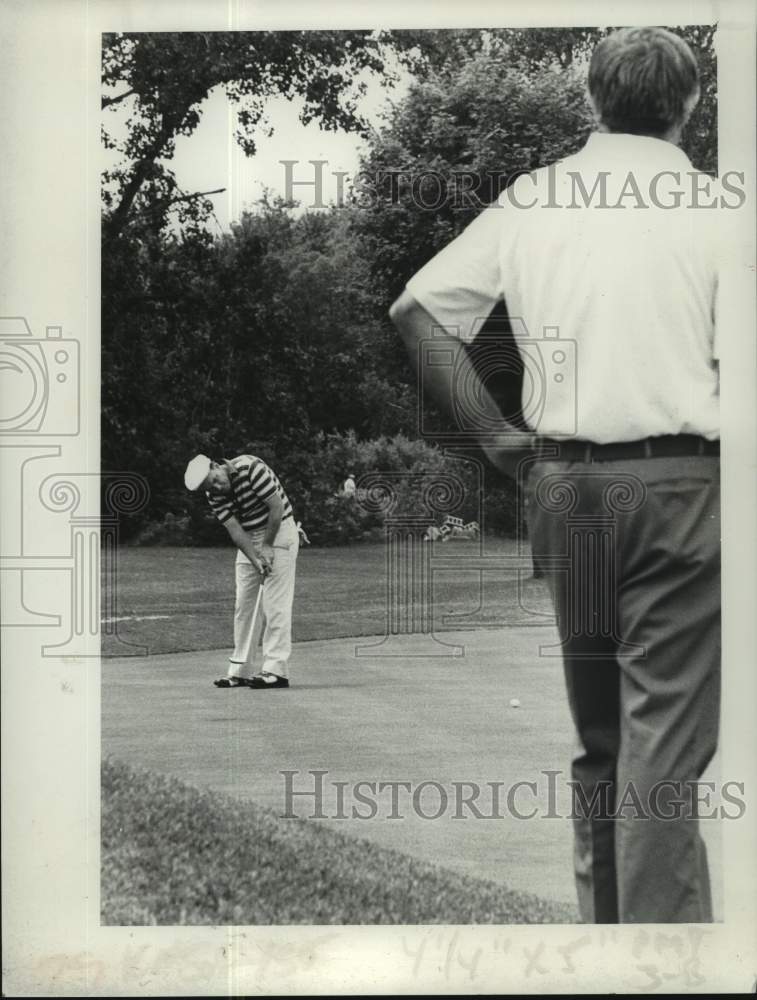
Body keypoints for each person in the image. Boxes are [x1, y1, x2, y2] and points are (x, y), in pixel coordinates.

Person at [390, 27, 721, 923]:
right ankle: (666, 969)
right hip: (679, 487)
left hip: (563, 488)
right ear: (688, 104)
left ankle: (606, 950)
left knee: (602, 743)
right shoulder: (720, 209)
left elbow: (417, 312)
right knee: (661, 751)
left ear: (591, 98)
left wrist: (497, 437)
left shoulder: (532, 199)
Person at [184, 452, 299, 689]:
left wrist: (267, 546)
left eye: (215, 479)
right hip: (249, 535)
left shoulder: (251, 468)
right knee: (244, 605)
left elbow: (276, 507)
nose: (216, 487)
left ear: (216, 465)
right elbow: (235, 530)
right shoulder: (213, 496)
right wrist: (255, 558)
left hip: (279, 531)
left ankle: (276, 670)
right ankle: (240, 670)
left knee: (274, 603)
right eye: (210, 487)